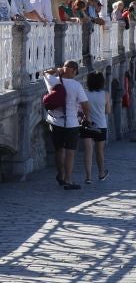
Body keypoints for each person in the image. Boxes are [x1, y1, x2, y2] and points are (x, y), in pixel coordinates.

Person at [42, 61, 89, 190]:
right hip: (71, 123)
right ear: (74, 70)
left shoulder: (53, 81)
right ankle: (68, 179)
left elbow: (45, 72)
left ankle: (61, 175)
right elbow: (85, 105)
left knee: (59, 150)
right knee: (70, 153)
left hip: (55, 122)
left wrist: (59, 70)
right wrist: (86, 117)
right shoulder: (76, 85)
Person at [81, 70, 110, 184]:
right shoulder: (105, 94)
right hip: (101, 126)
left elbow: (81, 109)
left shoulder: (84, 93)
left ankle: (88, 177)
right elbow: (108, 111)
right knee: (100, 151)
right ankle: (101, 173)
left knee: (88, 152)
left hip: (87, 125)